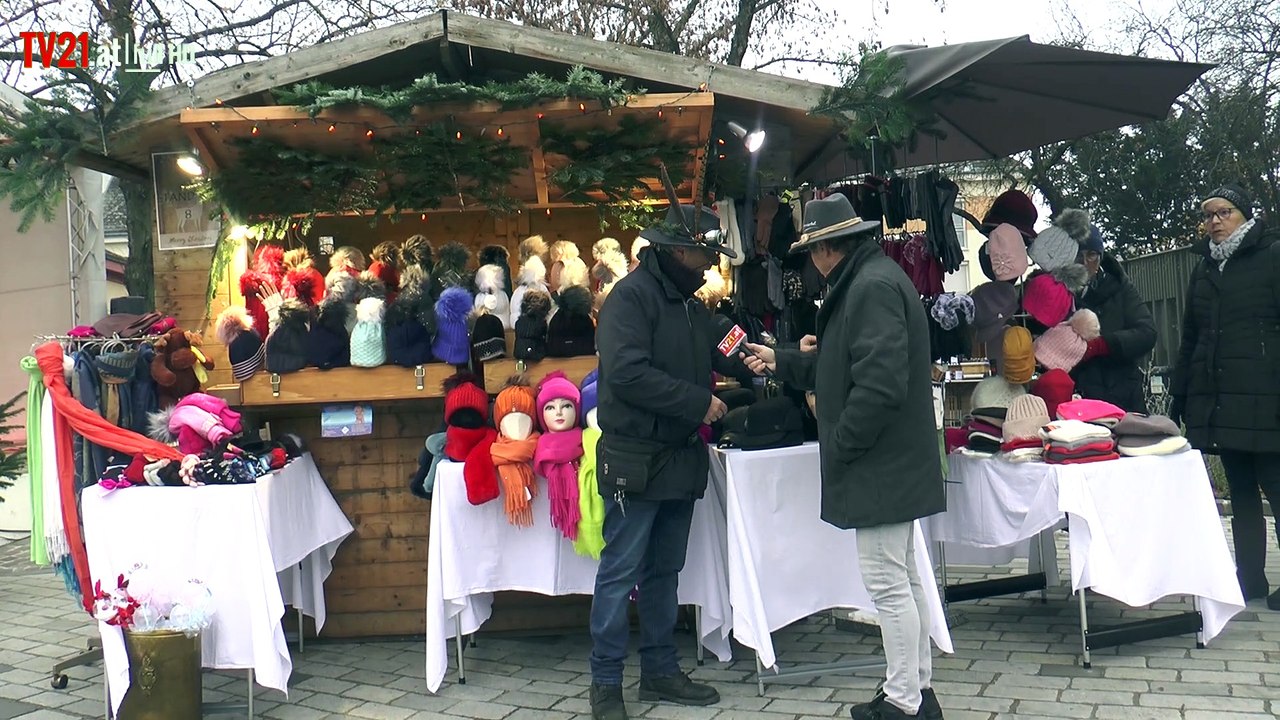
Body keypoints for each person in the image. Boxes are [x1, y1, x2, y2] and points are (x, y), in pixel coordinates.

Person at [741, 194, 946, 720]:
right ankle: (916, 692)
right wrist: (782, 360)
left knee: (889, 583)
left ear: (827, 249)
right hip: (890, 458)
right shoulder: (869, 280)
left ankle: (904, 701)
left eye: (812, 250)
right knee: (902, 578)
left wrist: (842, 443)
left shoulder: (869, 287)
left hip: (879, 460)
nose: (811, 261)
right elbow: (843, 366)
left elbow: (879, 386)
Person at [589, 202, 743, 720]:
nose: (710, 264)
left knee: (663, 572)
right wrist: (698, 403)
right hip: (634, 461)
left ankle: (658, 671)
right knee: (620, 573)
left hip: (677, 460)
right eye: (704, 255)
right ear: (678, 251)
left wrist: (773, 353)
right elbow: (628, 374)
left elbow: (726, 344)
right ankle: (605, 683)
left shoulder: (690, 304)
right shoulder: (630, 299)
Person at [1171, 184, 1280, 607]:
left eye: (1224, 212)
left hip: (1268, 398)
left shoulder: (1271, 256)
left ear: (1245, 215)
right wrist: (1182, 394)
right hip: (1223, 400)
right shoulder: (1205, 268)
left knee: (1276, 488)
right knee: (1241, 492)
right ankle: (1249, 578)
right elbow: (1191, 337)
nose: (1215, 221)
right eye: (1209, 214)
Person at [1070, 223, 1157, 412]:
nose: (1084, 262)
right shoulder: (1058, 292)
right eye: (1078, 255)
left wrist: (1104, 345)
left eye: (1091, 255)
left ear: (1100, 256)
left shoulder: (1119, 286)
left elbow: (1147, 333)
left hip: (1123, 396)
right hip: (1076, 397)